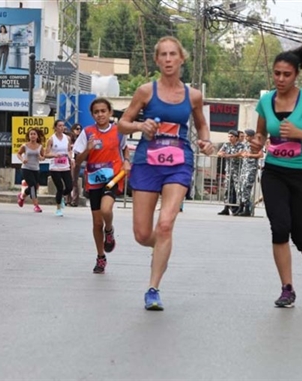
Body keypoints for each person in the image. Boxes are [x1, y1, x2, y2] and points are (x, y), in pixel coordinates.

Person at [118, 36, 213, 310]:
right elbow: (122, 124)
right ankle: (161, 246)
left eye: (173, 54)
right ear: (157, 60)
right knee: (141, 233)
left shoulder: (193, 95)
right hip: (148, 162)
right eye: (164, 55)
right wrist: (140, 127)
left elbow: (202, 125)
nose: (169, 59)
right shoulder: (146, 91)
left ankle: (153, 288)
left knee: (166, 224)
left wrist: (205, 141)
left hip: (179, 161)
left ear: (182, 58)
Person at [250, 40, 302, 308]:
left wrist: (300, 134)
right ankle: (287, 288)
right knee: (280, 228)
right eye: (277, 73)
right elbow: (262, 133)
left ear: (296, 75)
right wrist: (258, 142)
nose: (281, 79)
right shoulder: (265, 101)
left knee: (299, 234)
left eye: (286, 74)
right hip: (274, 172)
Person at [73, 98, 131, 274]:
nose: (100, 115)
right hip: (94, 180)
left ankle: (110, 230)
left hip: (113, 177)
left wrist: (126, 161)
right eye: (96, 112)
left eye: (103, 111)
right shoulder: (87, 132)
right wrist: (88, 149)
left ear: (110, 112)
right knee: (96, 222)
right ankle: (101, 257)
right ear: (92, 115)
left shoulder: (118, 131)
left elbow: (124, 148)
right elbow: (77, 160)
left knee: (106, 210)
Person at [45, 120, 73, 216]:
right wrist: (55, 155)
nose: (62, 127)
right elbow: (46, 154)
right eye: (59, 126)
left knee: (69, 187)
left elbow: (69, 150)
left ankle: (61, 197)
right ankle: (58, 208)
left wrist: (71, 158)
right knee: (60, 187)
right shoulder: (51, 139)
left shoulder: (67, 138)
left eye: (63, 126)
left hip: (65, 166)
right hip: (55, 167)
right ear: (55, 127)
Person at [235, 129, 263, 216]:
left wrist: (250, 155)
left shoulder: (256, 144)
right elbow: (243, 153)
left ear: (251, 136)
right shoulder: (245, 144)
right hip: (244, 168)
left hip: (251, 168)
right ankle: (241, 206)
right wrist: (242, 154)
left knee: (246, 187)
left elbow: (260, 154)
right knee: (240, 188)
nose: (245, 138)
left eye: (247, 136)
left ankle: (247, 208)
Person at [17, 128, 45, 213]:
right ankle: (36, 206)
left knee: (35, 186)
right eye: (31, 134)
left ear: (37, 136)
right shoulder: (25, 145)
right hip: (26, 168)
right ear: (29, 136)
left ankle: (22, 196)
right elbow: (18, 154)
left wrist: (41, 158)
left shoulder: (40, 146)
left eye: (34, 134)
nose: (32, 136)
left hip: (36, 169)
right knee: (32, 186)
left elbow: (43, 157)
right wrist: (22, 160)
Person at [216, 130, 243, 215]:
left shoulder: (241, 145)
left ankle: (239, 208)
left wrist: (229, 155)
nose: (230, 138)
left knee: (238, 189)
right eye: (229, 137)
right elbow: (219, 152)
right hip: (228, 170)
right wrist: (222, 154)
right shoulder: (226, 145)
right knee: (227, 189)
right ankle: (226, 207)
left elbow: (240, 153)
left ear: (236, 138)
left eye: (232, 137)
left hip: (237, 170)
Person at [68, 123, 83, 207]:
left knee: (74, 180)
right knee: (67, 180)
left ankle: (75, 200)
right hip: (68, 160)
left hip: (77, 161)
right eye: (77, 129)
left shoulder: (81, 140)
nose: (78, 131)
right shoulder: (69, 138)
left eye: (80, 129)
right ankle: (68, 199)